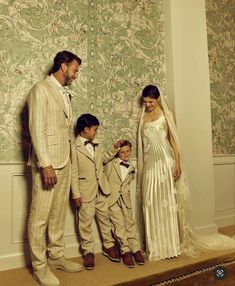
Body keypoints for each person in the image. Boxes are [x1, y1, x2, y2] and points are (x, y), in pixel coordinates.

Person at [137, 84, 235, 261]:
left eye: (150, 101)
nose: (148, 105)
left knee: (167, 206)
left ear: (158, 99)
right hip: (150, 165)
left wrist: (178, 164)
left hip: (166, 163)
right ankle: (155, 248)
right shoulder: (142, 116)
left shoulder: (167, 115)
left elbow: (174, 141)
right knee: (150, 204)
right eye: (145, 102)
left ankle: (170, 247)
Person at [27, 51, 82, 286]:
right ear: (63, 65)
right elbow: (36, 128)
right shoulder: (41, 89)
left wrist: (67, 161)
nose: (77, 74)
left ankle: (57, 255)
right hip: (48, 164)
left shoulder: (64, 93)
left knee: (58, 214)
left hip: (65, 160)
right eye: (75, 69)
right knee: (40, 217)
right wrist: (45, 163)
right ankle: (40, 266)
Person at [71, 113, 123, 270]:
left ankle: (108, 245)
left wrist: (114, 149)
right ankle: (88, 251)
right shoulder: (74, 147)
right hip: (85, 191)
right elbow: (73, 172)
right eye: (94, 130)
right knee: (85, 223)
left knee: (105, 219)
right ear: (85, 130)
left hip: (101, 189)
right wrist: (76, 193)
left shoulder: (96, 144)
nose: (96, 133)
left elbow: (102, 160)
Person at [104, 140, 145, 268]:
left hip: (126, 200)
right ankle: (125, 250)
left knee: (130, 224)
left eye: (128, 151)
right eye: (122, 152)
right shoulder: (111, 163)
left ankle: (136, 249)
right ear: (118, 153)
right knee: (119, 226)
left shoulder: (132, 168)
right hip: (112, 199)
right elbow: (103, 163)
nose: (126, 154)